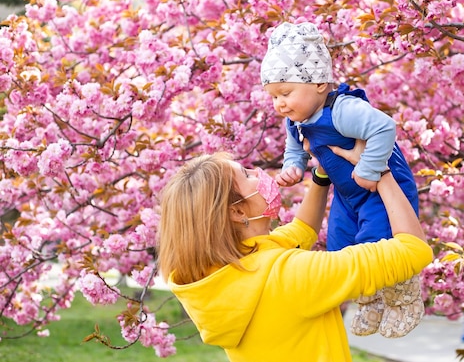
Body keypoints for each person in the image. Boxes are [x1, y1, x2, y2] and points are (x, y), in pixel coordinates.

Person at [157, 142, 433, 362]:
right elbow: (413, 249)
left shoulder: (221, 275)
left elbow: (302, 230)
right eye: (247, 175)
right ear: (238, 211)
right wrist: (380, 171)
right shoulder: (290, 275)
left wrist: (321, 174)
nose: (258, 173)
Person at [260, 21, 424, 337]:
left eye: (285, 92)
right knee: (341, 246)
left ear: (320, 83)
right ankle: (371, 300)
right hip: (347, 192)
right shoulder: (296, 121)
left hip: (380, 189)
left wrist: (369, 169)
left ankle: (404, 299)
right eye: (273, 97)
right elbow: (295, 149)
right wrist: (293, 166)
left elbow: (384, 127)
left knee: (380, 243)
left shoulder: (342, 110)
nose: (279, 103)